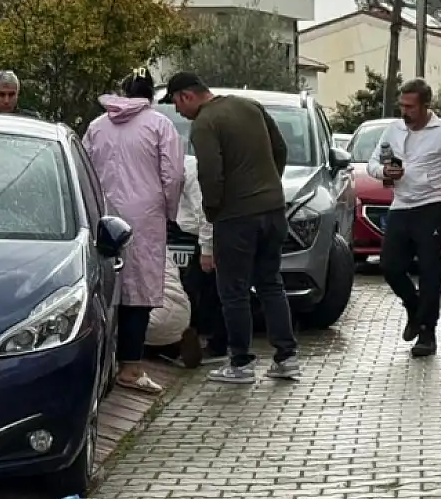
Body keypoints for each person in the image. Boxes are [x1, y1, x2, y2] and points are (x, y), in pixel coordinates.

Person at [164, 71, 301, 384]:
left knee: (233, 291)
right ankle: (286, 358)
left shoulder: (205, 123)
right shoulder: (249, 106)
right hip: (273, 210)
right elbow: (280, 148)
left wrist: (213, 211)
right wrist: (269, 185)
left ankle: (241, 363)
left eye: (176, 103)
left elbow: (210, 172)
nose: (178, 111)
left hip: (236, 217)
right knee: (270, 283)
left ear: (186, 95)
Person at [82, 71, 185, 395]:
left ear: (121, 92)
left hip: (102, 214)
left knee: (103, 286)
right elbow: (173, 175)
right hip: (145, 217)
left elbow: (84, 169)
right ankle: (131, 367)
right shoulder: (159, 125)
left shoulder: (97, 126)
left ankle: (102, 364)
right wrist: (169, 211)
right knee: (139, 293)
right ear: (151, 95)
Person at [367, 79, 441, 358]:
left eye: (410, 107)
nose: (405, 112)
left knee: (429, 270)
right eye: (402, 106)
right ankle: (413, 306)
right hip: (400, 205)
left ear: (426, 106)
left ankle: (427, 331)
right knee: (390, 266)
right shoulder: (394, 129)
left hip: (430, 206)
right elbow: (372, 163)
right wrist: (384, 173)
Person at [173, 147, 228, 365]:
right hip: (204, 236)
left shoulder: (192, 173)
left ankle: (217, 345)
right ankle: (207, 342)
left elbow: (207, 213)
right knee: (199, 288)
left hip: (214, 237)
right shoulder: (182, 169)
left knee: (208, 290)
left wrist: (207, 250)